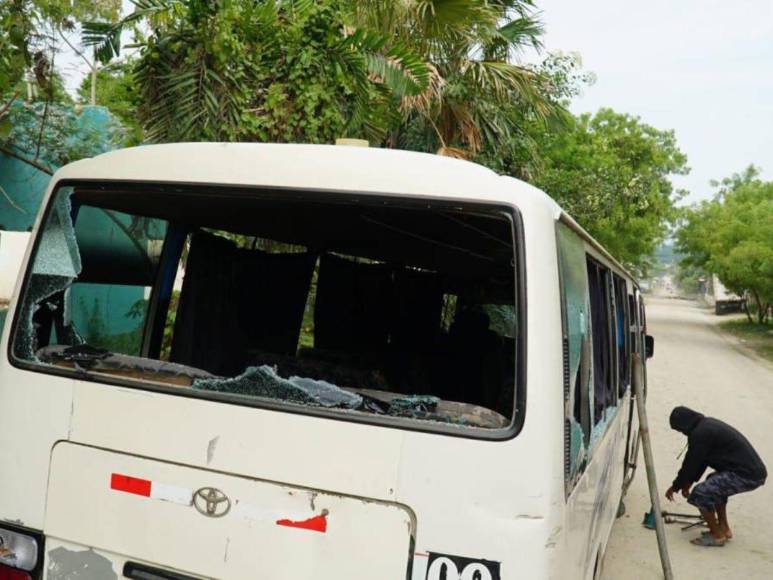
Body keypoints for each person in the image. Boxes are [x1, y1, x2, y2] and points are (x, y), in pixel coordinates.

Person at [665, 406, 767, 547]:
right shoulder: (705, 426)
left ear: (684, 425)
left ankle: (717, 535)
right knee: (713, 482)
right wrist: (687, 482)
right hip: (751, 471)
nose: (683, 433)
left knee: (701, 493)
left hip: (748, 475)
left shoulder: (700, 434)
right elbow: (702, 460)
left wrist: (676, 485)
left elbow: (691, 462)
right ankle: (723, 528)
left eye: (680, 430)